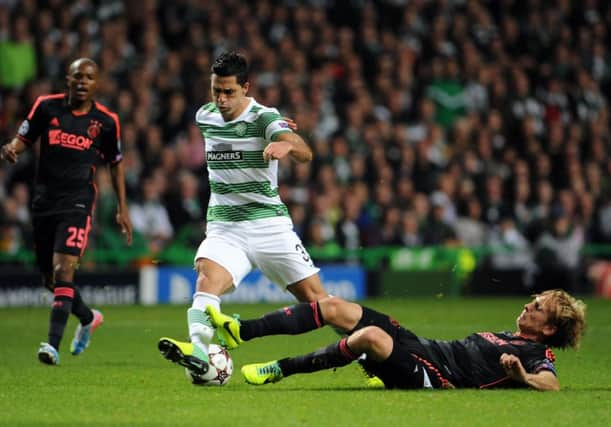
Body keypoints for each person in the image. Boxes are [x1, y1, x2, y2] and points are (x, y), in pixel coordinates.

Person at [158, 51, 328, 376]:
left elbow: (305, 151)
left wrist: (287, 145)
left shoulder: (265, 118)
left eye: (229, 92)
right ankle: (196, 350)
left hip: (268, 225)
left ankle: (366, 357)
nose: (221, 100)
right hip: (225, 227)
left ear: (246, 88)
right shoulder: (203, 116)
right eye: (216, 91)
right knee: (206, 281)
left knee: (320, 302)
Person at [0, 58, 133, 365]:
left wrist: (122, 209)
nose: (83, 81)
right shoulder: (46, 107)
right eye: (77, 76)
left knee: (64, 270)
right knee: (50, 278)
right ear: (68, 79)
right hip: (44, 202)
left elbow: (116, 163)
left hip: (78, 201)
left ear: (96, 84)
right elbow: (22, 140)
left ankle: (52, 345)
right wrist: (10, 149)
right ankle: (87, 318)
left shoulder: (106, 121)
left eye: (89, 77)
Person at [205, 289, 585, 391]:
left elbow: (550, 383)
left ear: (549, 328)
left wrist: (522, 376)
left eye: (537, 307)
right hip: (424, 348)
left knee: (369, 335)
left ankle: (281, 369)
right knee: (336, 307)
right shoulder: (507, 336)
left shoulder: (536, 351)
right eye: (532, 301)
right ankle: (244, 330)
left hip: (436, 377)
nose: (527, 305)